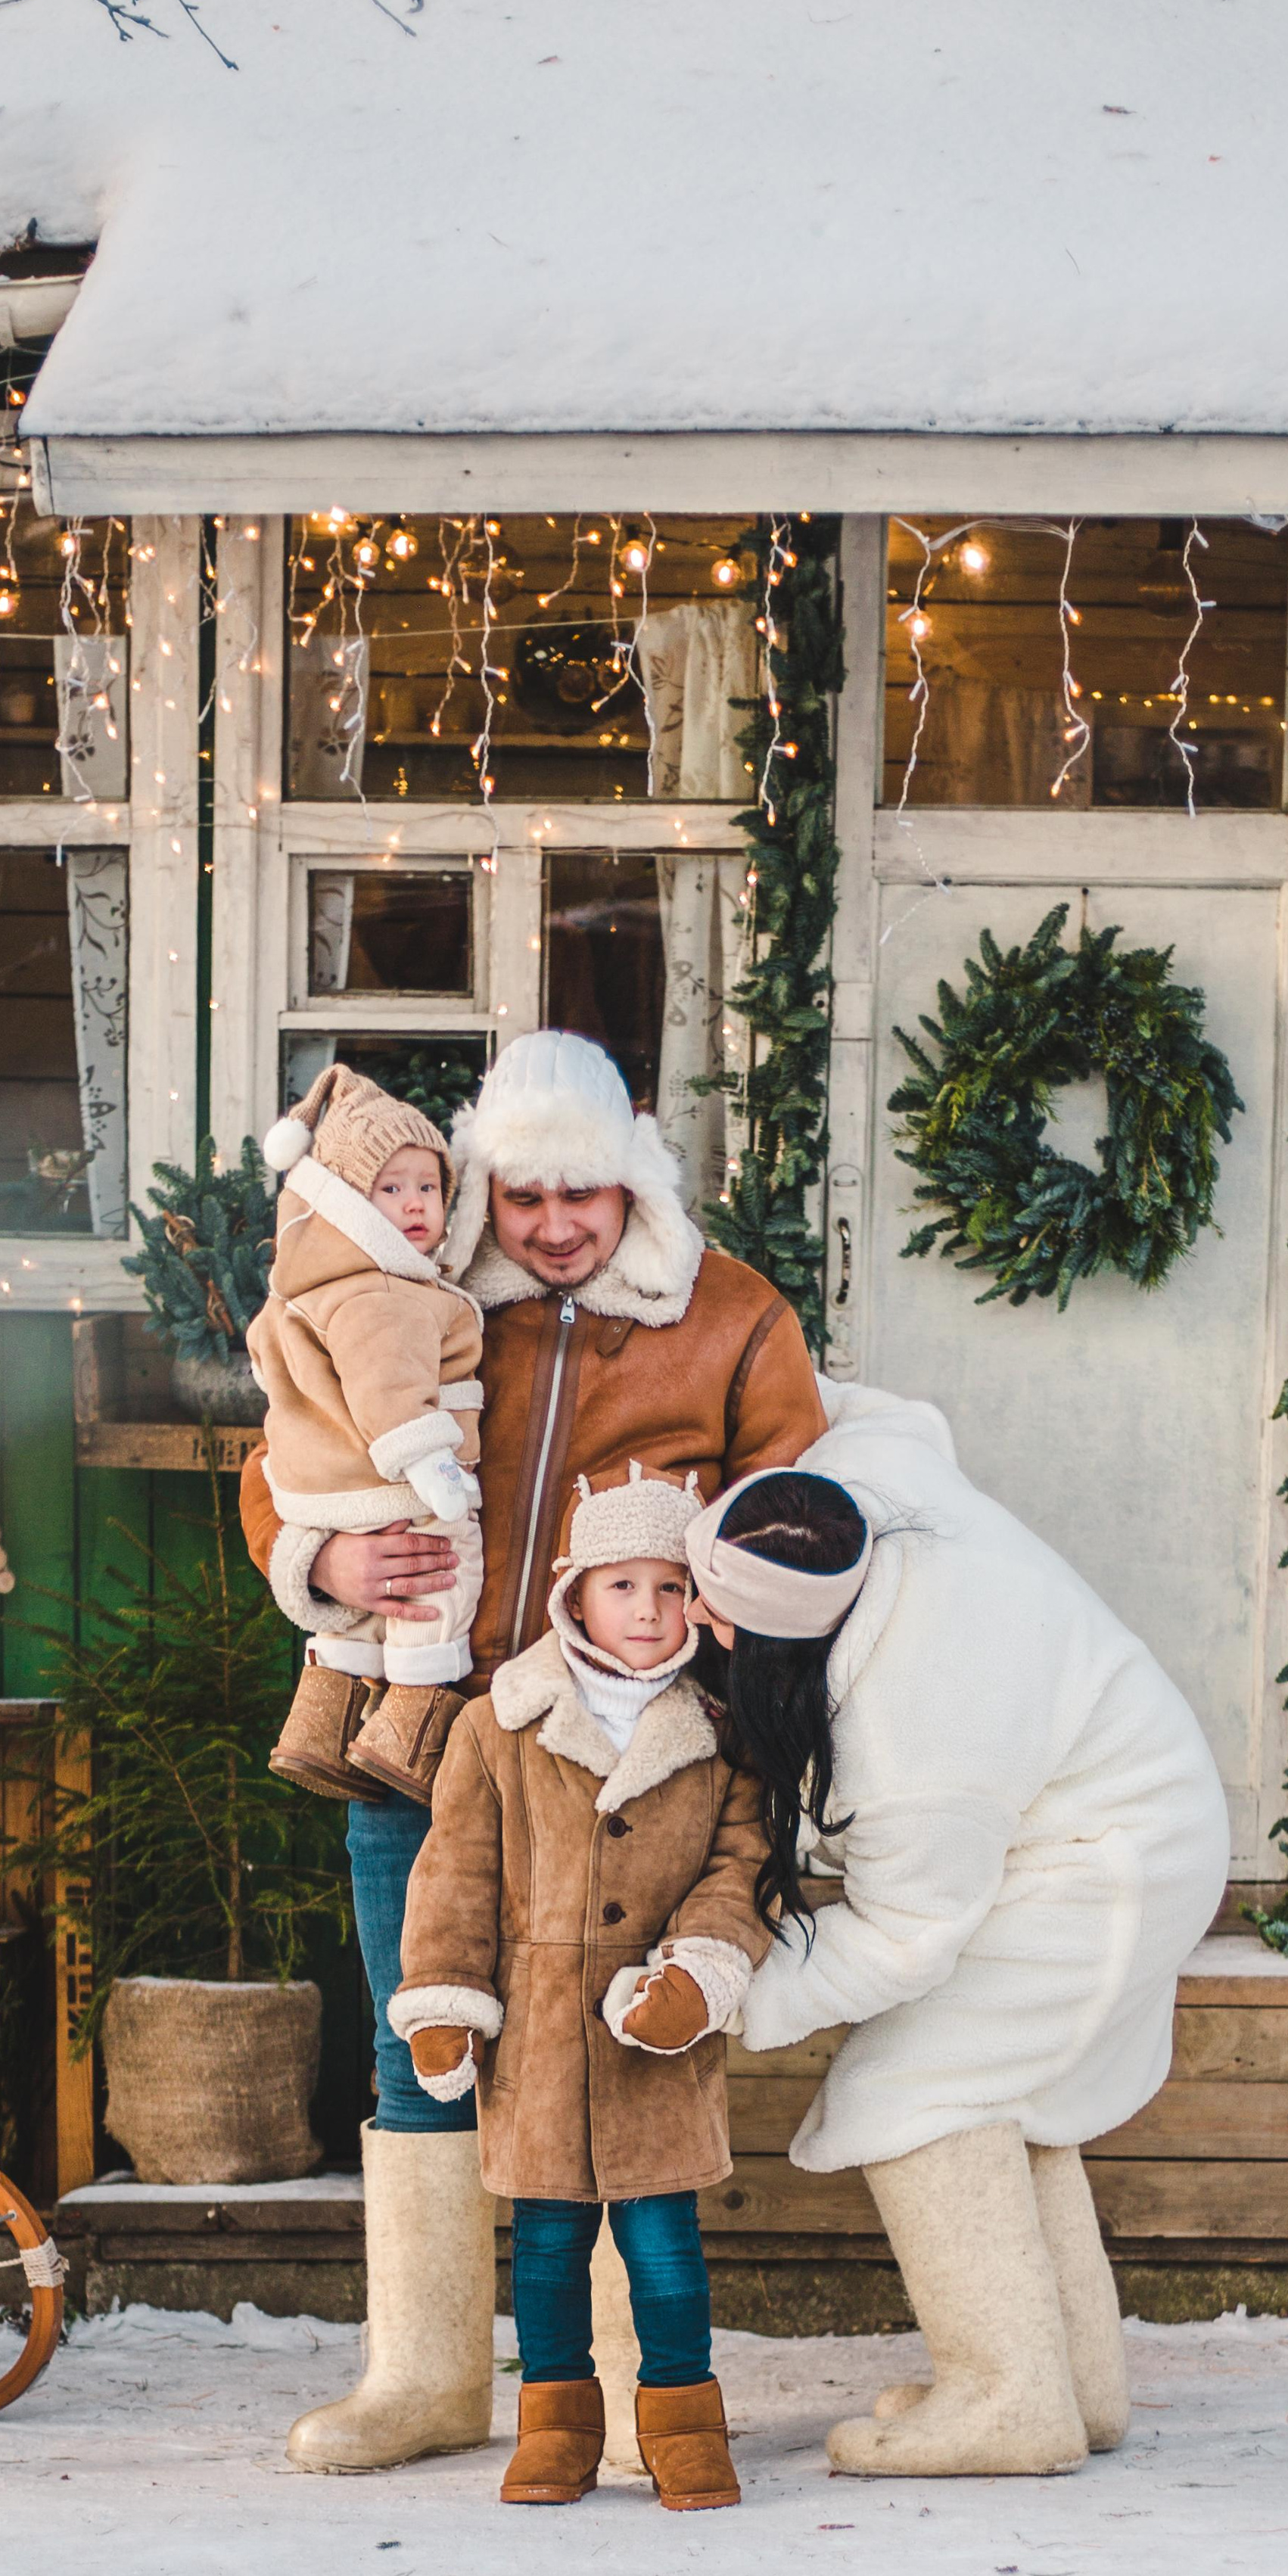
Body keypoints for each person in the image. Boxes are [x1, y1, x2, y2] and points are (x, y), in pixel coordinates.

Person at [237, 1028, 824, 2471]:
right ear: (485, 1191)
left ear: (632, 1185)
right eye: (524, 1200)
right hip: (432, 1727)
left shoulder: (733, 1318)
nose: (556, 1229)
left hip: (639, 1751)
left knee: (626, 2045)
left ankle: (630, 2388)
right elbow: (281, 1463)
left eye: (587, 1198)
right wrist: (323, 1564)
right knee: (418, 2039)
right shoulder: (417, 1301)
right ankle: (426, 2377)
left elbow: (800, 1517)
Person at [682, 1382, 1230, 2478]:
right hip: (1106, 1817)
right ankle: (1074, 2386)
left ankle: (1006, 2402)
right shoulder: (867, 1482)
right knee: (998, 2100)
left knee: (916, 2092)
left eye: (710, 1612)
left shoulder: (908, 1733)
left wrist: (730, 1994)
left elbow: (902, 1938)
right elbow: (883, 1404)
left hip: (1102, 1867)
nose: (689, 1619)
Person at [390, 1469, 776, 2510]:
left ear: (698, 1601)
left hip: (658, 2044)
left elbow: (738, 1872)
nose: (647, 1609)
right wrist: (442, 2004)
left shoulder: (719, 1732)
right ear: (575, 1594)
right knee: (550, 2256)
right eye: (622, 1586)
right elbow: (455, 1875)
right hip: (539, 2042)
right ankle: (556, 2425)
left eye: (669, 1586)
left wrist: (697, 1972)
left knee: (666, 2256)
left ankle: (684, 2424)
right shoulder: (498, 1725)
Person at [250, 1062, 484, 1804]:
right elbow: (384, 1396)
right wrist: (317, 1563)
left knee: (377, 1618)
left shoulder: (327, 1285)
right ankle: (408, 1730)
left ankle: (321, 1726)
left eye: (429, 1188)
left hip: (338, 1489)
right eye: (391, 1189)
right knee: (442, 1578)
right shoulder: (389, 1292)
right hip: (401, 1483)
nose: (415, 1205)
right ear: (350, 1203)